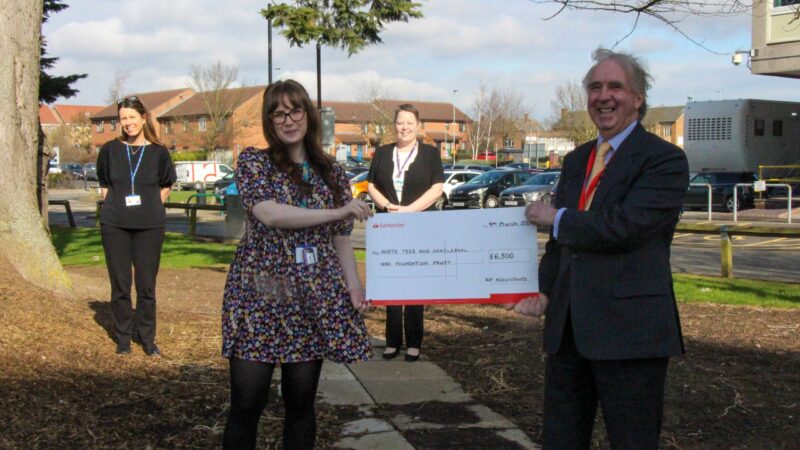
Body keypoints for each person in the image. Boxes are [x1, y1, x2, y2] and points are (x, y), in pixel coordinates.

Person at [510, 48, 689, 449]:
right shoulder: (577, 160)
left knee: (632, 440)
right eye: (594, 87)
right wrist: (542, 290)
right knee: (561, 438)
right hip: (569, 330)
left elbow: (626, 227)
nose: (603, 96)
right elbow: (562, 246)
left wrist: (554, 217)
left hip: (630, 331)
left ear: (639, 98)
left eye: (615, 86)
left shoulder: (664, 160)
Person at [221, 80, 373, 450]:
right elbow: (269, 214)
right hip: (260, 292)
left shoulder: (332, 173)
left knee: (301, 405)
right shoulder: (255, 162)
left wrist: (354, 287)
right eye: (278, 113)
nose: (288, 120)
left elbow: (340, 239)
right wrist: (336, 210)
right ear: (269, 121)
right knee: (246, 402)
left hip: (311, 298)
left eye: (295, 110)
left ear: (308, 113)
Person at [97, 96, 177, 356]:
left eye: (132, 117)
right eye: (123, 119)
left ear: (143, 118)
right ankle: (123, 338)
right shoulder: (110, 149)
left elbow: (167, 183)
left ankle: (147, 338)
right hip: (115, 225)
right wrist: (114, 207)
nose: (128, 123)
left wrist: (153, 205)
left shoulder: (158, 152)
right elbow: (104, 184)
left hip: (149, 226)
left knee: (146, 285)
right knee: (120, 284)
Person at [367, 104, 444, 362]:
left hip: (419, 226)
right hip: (389, 225)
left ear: (418, 125)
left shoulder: (431, 154)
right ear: (395, 125)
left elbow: (437, 188)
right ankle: (392, 341)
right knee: (392, 284)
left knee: (414, 284)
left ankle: (414, 342)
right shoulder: (382, 153)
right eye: (400, 122)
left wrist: (410, 210)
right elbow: (371, 186)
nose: (405, 127)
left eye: (410, 122)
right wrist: (387, 206)